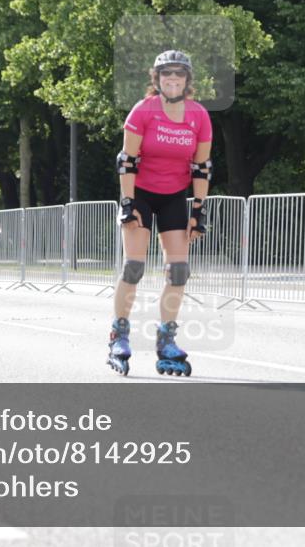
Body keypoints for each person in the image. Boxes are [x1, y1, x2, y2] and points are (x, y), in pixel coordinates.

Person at [107, 50, 212, 377]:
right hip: (141, 194)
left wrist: (198, 210)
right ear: (157, 78)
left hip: (173, 197)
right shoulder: (144, 110)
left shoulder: (198, 115)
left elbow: (201, 166)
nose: (173, 79)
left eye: (179, 74)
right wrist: (127, 203)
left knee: (179, 272)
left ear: (187, 80)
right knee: (134, 266)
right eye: (167, 74)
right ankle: (119, 335)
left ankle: (166, 339)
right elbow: (127, 160)